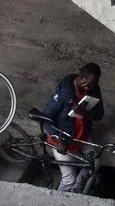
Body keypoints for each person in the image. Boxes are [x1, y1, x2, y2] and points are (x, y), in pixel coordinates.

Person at [42, 63, 105, 192]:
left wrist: (86, 114)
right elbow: (45, 119)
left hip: (81, 137)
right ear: (82, 78)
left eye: (95, 83)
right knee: (68, 180)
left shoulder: (94, 89)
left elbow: (99, 115)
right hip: (63, 142)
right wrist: (57, 138)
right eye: (90, 83)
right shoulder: (64, 93)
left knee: (96, 162)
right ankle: (57, 201)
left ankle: (78, 188)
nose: (92, 87)